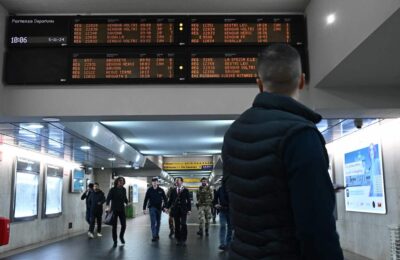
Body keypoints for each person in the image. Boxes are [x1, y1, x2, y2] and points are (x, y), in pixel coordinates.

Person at [222, 44, 343, 259]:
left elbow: (234, 202)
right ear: (302, 81)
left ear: (259, 84)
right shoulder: (301, 135)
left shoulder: (233, 132)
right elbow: (316, 225)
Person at [166, 177, 191, 246]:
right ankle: (178, 239)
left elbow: (188, 201)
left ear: (182, 182)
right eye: (176, 181)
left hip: (183, 210)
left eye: (178, 180)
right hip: (175, 210)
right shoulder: (173, 190)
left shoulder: (185, 190)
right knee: (176, 225)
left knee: (183, 224)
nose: (176, 182)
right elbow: (170, 200)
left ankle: (184, 239)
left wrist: (189, 210)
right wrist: (167, 207)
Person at [143, 177, 168, 242]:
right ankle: (154, 235)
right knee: (153, 221)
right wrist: (144, 208)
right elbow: (146, 199)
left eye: (155, 181)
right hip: (152, 208)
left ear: (157, 182)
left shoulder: (161, 190)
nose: (154, 183)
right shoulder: (149, 190)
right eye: (153, 182)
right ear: (152, 183)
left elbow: (165, 199)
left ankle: (157, 234)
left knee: (158, 222)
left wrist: (165, 207)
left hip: (159, 208)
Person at [106, 176, 128, 247]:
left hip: (122, 209)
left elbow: (125, 198)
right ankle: (115, 240)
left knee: (124, 225)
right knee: (114, 226)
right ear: (117, 182)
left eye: (122, 181)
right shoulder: (113, 190)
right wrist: (107, 206)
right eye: (120, 181)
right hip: (114, 210)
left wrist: (127, 202)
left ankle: (121, 236)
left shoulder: (124, 189)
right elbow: (108, 198)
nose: (121, 182)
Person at [213, 183, 232, 251]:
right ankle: (222, 244)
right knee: (223, 225)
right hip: (222, 210)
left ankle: (228, 243)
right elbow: (215, 199)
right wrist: (215, 204)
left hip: (231, 211)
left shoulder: (232, 189)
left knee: (230, 227)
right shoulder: (220, 189)